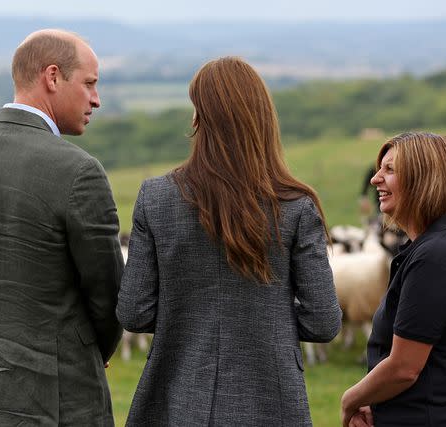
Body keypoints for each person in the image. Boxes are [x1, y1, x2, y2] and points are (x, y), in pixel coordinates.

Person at [116, 56, 342, 426]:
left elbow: (134, 312)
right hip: (272, 403)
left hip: (176, 398)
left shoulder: (155, 198)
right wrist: (264, 322)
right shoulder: (297, 207)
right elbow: (323, 322)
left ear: (199, 119)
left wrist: (186, 318)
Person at [0, 29, 124, 427]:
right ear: (52, 77)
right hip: (58, 402)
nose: (96, 99)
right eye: (89, 83)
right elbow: (109, 296)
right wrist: (95, 350)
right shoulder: (77, 172)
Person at [341, 132, 446, 427]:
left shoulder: (437, 255)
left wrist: (352, 399)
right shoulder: (436, 245)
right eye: (379, 168)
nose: (375, 179)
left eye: (390, 170)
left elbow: (404, 367)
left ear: (424, 179)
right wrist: (382, 405)